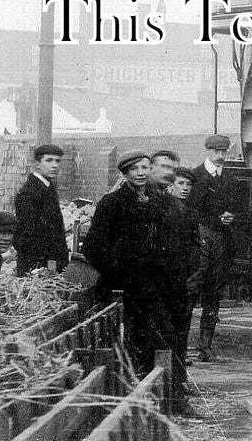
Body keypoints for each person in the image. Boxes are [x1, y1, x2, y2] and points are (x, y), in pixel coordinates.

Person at [82, 151, 176, 378]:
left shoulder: (160, 203)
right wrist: (118, 272)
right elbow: (93, 248)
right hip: (121, 287)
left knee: (158, 337)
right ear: (124, 173)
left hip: (152, 285)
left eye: (145, 167)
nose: (141, 173)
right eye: (134, 169)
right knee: (124, 341)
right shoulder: (112, 203)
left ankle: (155, 389)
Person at [187, 134, 241, 362]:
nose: (220, 156)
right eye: (216, 152)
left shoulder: (230, 178)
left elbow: (237, 207)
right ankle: (181, 344)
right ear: (207, 151)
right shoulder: (195, 176)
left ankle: (205, 346)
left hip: (221, 243)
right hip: (199, 243)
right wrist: (216, 220)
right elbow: (190, 212)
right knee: (191, 292)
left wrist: (231, 216)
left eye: (224, 152)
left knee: (213, 293)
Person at [164, 167, 203, 416]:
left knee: (181, 335)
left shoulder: (189, 212)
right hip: (168, 280)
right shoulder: (166, 209)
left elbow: (193, 248)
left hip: (184, 280)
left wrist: (191, 275)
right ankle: (173, 387)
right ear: (171, 186)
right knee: (171, 334)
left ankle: (179, 381)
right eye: (181, 183)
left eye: (188, 184)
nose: (185, 188)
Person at [13, 143, 69, 274]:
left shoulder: (47, 187)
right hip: (37, 265)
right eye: (49, 160)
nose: (55, 165)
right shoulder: (29, 192)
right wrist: (43, 265)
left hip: (50, 262)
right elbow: (28, 233)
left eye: (57, 161)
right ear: (37, 164)